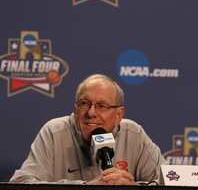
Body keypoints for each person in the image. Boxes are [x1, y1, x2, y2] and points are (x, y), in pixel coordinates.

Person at [9, 74, 168, 185]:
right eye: (84, 104)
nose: (91, 113)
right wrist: (87, 186)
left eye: (101, 106)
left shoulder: (134, 135)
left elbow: (170, 181)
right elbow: (22, 183)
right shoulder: (54, 132)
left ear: (118, 115)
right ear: (75, 109)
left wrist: (131, 187)